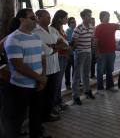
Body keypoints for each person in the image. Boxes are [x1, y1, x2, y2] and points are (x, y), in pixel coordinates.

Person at [2, 8, 51, 138]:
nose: (36, 20)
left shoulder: (36, 36)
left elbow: (42, 58)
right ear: (22, 19)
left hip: (37, 85)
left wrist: (43, 76)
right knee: (16, 118)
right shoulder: (13, 38)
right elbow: (18, 66)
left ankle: (36, 134)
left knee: (36, 115)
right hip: (20, 87)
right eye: (32, 18)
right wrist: (40, 78)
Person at [34, 10, 65, 122]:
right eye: (47, 17)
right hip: (43, 69)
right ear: (38, 17)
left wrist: (52, 46)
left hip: (55, 67)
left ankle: (48, 114)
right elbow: (45, 51)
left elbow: (64, 44)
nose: (49, 18)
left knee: (51, 93)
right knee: (41, 95)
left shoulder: (52, 30)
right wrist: (56, 47)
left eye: (49, 16)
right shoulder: (35, 31)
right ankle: (41, 117)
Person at [94, 11, 120, 93]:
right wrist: (97, 53)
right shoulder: (98, 27)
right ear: (102, 17)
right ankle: (100, 88)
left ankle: (110, 86)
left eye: (109, 16)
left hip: (111, 52)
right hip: (102, 53)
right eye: (107, 16)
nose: (109, 17)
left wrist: (118, 16)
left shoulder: (112, 25)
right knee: (100, 71)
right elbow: (96, 41)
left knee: (109, 70)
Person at [72, 9, 95, 105]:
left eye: (90, 15)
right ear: (83, 17)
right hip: (80, 53)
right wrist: (76, 49)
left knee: (86, 73)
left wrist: (92, 49)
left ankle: (87, 91)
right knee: (77, 75)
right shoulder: (78, 28)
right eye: (88, 16)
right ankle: (75, 96)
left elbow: (91, 39)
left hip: (88, 52)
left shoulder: (91, 27)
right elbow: (74, 42)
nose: (90, 17)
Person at [51, 10, 70, 111]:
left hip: (64, 57)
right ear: (60, 18)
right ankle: (54, 104)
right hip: (58, 57)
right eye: (66, 18)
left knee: (59, 81)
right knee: (56, 82)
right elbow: (55, 45)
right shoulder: (53, 29)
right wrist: (64, 46)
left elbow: (65, 43)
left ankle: (58, 101)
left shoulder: (61, 28)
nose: (67, 19)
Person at [65, 17, 76, 90]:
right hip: (69, 54)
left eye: (75, 22)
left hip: (75, 54)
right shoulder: (67, 31)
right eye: (72, 22)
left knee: (75, 70)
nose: (74, 23)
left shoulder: (77, 30)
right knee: (67, 70)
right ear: (69, 24)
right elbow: (67, 42)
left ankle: (75, 83)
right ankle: (68, 84)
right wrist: (72, 42)